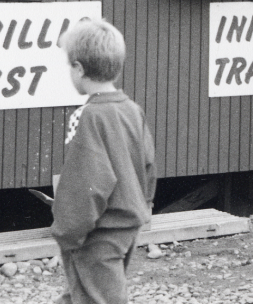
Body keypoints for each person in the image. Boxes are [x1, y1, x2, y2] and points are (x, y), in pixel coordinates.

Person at [52, 18, 157, 304]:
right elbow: (147, 164)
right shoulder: (132, 110)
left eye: (67, 66)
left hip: (97, 232)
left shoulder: (88, 116)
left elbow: (86, 182)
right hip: (127, 226)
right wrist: (145, 205)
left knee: (95, 296)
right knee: (88, 294)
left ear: (79, 68)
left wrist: (67, 233)